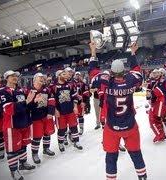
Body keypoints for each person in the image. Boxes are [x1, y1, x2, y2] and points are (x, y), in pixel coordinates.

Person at [89, 42, 147, 180]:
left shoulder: (106, 81)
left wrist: (93, 51)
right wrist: (133, 52)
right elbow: (137, 70)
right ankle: (143, 177)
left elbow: (93, 73)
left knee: (111, 157)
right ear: (123, 71)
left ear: (112, 72)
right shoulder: (132, 79)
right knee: (136, 154)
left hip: (112, 127)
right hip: (130, 125)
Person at [0, 70, 35, 180]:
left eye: (16, 76)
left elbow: (25, 106)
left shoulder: (20, 90)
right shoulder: (2, 91)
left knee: (23, 145)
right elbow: (8, 109)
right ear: (6, 78)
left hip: (24, 122)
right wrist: (27, 102)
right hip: (12, 125)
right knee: (12, 149)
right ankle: (14, 171)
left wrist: (33, 101)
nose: (15, 77)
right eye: (12, 76)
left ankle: (23, 163)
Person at [28, 73, 56, 164]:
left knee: (47, 133)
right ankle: (34, 153)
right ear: (34, 79)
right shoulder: (28, 90)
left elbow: (51, 101)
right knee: (37, 136)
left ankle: (46, 148)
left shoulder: (47, 89)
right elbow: (26, 105)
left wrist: (51, 112)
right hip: (35, 117)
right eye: (40, 78)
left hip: (46, 116)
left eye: (43, 78)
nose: (42, 79)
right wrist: (34, 101)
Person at [53, 69, 83, 152]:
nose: (66, 75)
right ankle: (61, 143)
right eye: (64, 74)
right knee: (62, 129)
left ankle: (76, 141)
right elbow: (52, 100)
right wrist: (55, 110)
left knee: (73, 126)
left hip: (70, 110)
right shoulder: (53, 87)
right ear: (59, 76)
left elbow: (74, 97)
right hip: (60, 111)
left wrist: (75, 107)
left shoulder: (70, 85)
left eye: (66, 74)